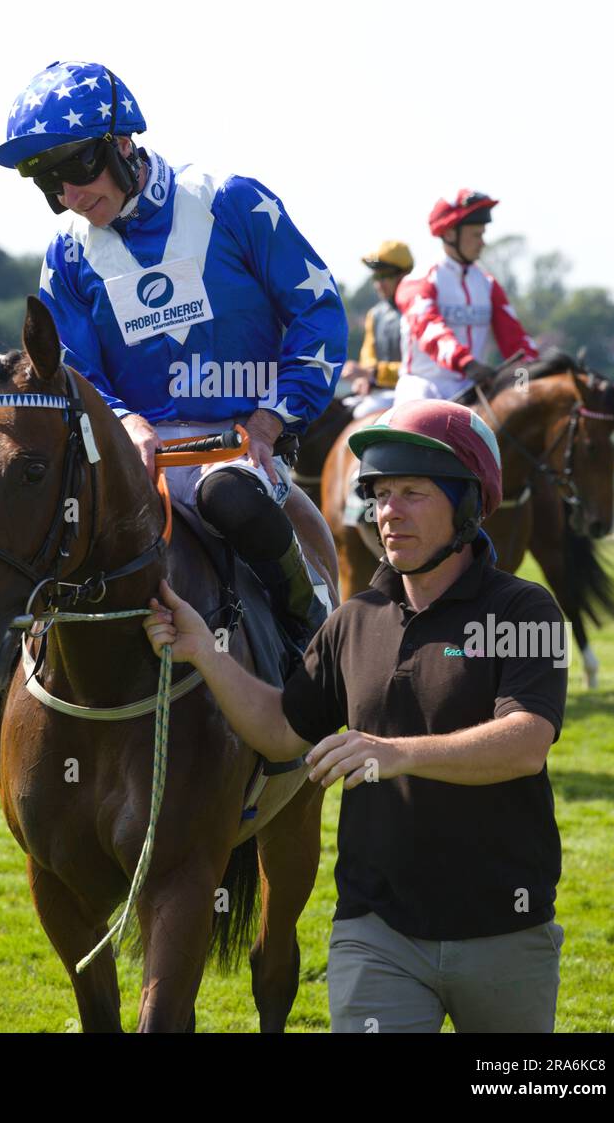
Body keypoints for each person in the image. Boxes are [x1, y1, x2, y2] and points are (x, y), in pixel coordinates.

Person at [142, 400, 567, 1033]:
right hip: (375, 935)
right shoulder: (352, 620)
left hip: (505, 929)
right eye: (381, 493)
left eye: (413, 494)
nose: (388, 512)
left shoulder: (526, 611)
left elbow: (527, 742)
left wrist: (396, 752)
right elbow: (281, 728)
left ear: (470, 505)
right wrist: (205, 652)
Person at [0, 59, 348, 645]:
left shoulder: (231, 202)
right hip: (127, 456)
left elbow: (318, 311)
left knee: (231, 496)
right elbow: (70, 366)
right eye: (50, 184)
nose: (70, 197)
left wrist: (270, 417)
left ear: (122, 144)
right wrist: (127, 422)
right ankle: (4, 680)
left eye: (75, 172)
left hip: (235, 448)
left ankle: (315, 642)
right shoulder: (67, 254)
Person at [393, 190, 538, 403]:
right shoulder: (418, 281)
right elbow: (429, 329)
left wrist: (526, 384)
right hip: (424, 386)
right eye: (476, 235)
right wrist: (467, 363)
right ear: (450, 234)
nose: (483, 242)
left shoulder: (488, 284)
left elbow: (515, 342)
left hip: (472, 386)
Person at [343, 240, 413, 418]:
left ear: (405, 275)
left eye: (386, 276)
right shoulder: (374, 315)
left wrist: (371, 373)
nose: (379, 284)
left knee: (361, 414)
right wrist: (362, 377)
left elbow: (418, 368)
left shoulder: (418, 312)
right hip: (379, 394)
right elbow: (368, 359)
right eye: (376, 276)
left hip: (413, 393)